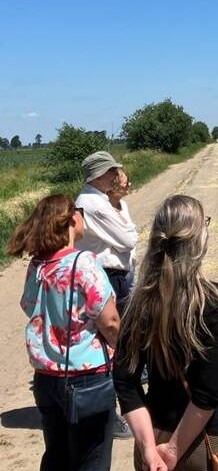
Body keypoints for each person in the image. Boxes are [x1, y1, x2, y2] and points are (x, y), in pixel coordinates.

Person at [113, 195, 218, 471]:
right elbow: (207, 394)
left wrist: (151, 449)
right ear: (198, 240)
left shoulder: (138, 305)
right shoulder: (216, 302)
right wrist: (174, 451)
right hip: (214, 444)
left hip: (155, 434)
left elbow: (125, 383)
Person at [7, 194, 120, 471]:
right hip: (87, 378)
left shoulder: (38, 266)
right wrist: (124, 350)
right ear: (71, 219)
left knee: (57, 464)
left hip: (47, 379)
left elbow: (28, 306)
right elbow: (109, 320)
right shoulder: (83, 263)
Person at [75, 150, 137, 438]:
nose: (115, 176)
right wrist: (127, 232)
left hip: (110, 275)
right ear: (99, 175)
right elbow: (128, 239)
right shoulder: (93, 204)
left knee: (114, 341)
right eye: (111, 171)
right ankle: (110, 412)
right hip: (107, 277)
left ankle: (111, 407)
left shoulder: (97, 200)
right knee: (112, 342)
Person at [106, 169, 137, 293]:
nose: (129, 184)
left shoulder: (123, 205)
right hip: (115, 270)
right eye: (126, 182)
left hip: (129, 263)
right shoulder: (104, 209)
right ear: (114, 187)